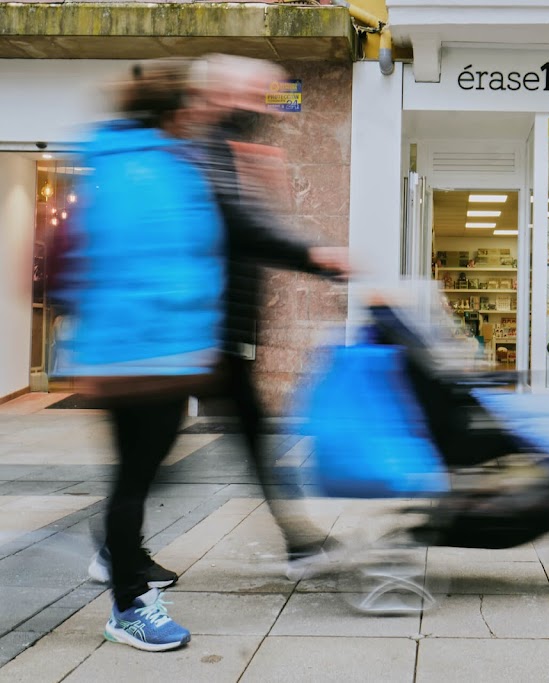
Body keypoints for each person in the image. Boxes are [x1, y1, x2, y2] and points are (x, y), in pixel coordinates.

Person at [68, 58, 226, 651]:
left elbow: (90, 258)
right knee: (138, 477)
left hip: (116, 353)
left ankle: (123, 563)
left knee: (134, 476)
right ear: (176, 112)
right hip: (157, 353)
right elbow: (182, 261)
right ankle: (129, 601)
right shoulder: (164, 170)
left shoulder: (102, 163)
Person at [186, 54, 349, 577]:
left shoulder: (224, 146)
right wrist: (316, 256)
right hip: (202, 329)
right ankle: (299, 543)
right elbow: (242, 226)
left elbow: (245, 223)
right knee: (167, 446)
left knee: (248, 439)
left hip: (217, 328)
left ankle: (299, 542)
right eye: (260, 95)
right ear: (227, 95)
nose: (271, 107)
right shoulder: (209, 146)